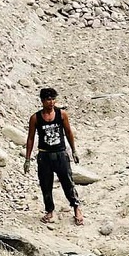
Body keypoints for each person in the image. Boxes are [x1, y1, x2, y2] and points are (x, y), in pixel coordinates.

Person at [24, 88, 83, 225]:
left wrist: (74, 151)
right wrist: (27, 159)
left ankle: (76, 208)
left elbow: (68, 132)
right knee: (45, 184)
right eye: (48, 99)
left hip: (60, 154)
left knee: (68, 182)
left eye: (53, 99)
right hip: (44, 155)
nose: (51, 102)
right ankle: (49, 210)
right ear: (42, 101)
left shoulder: (61, 114)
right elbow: (30, 138)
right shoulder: (35, 118)